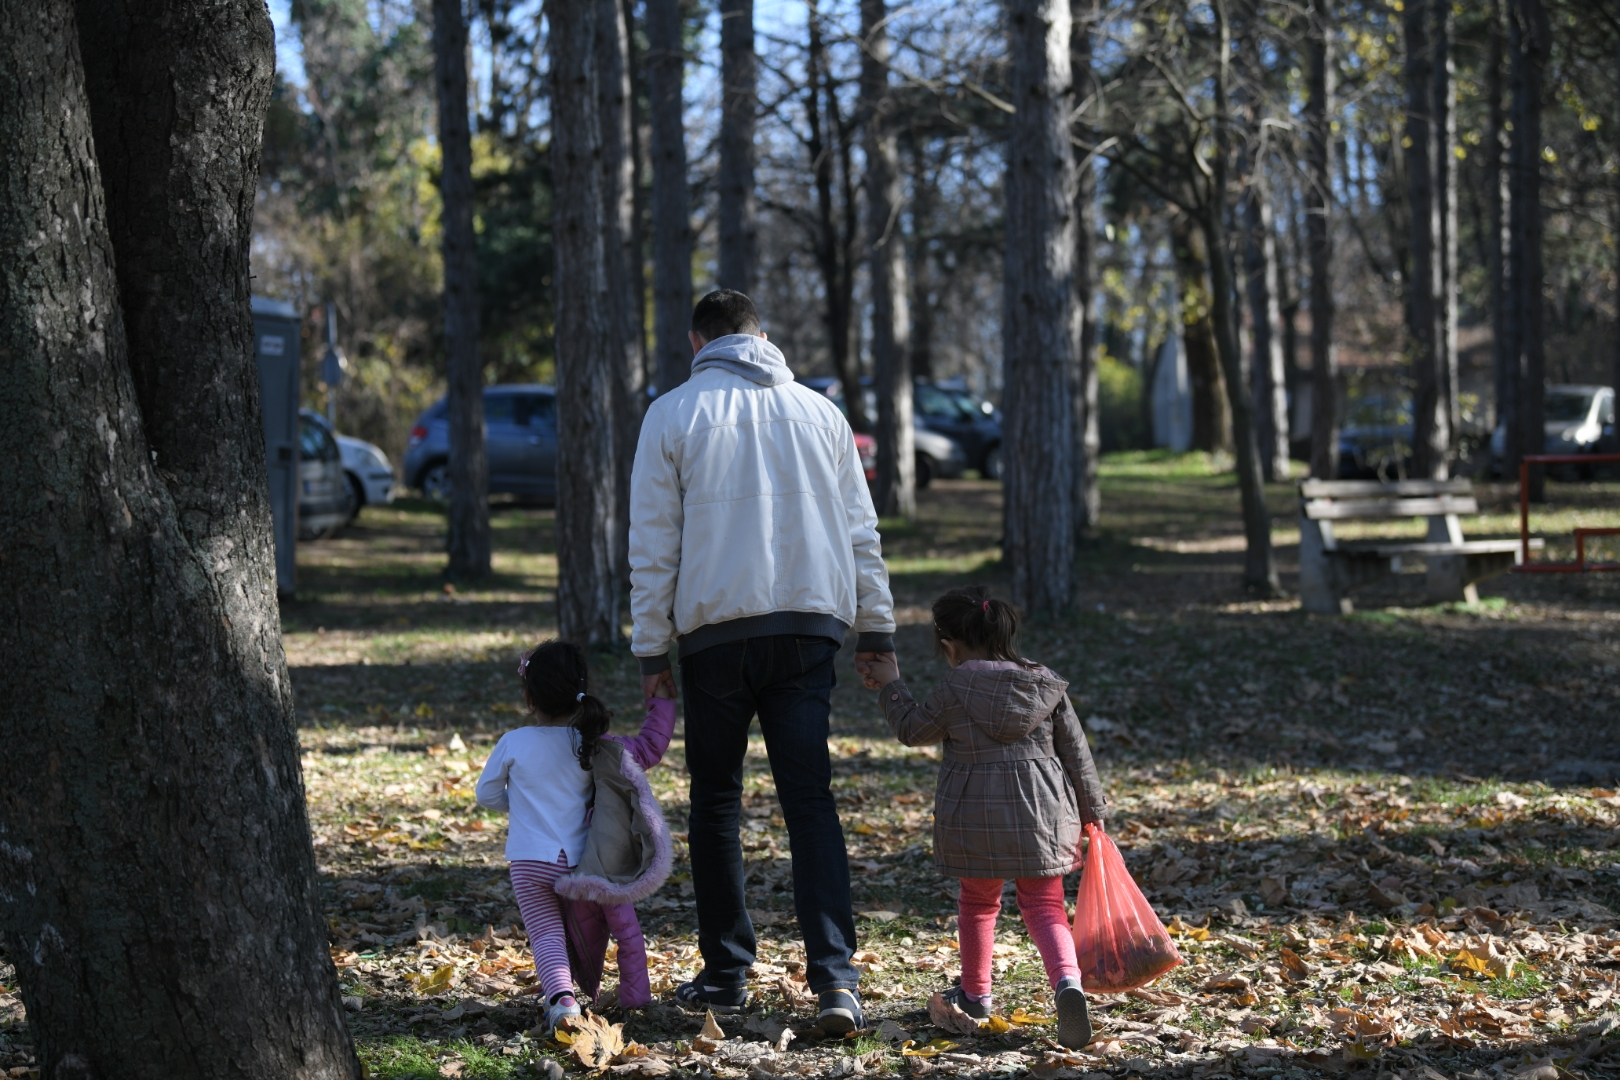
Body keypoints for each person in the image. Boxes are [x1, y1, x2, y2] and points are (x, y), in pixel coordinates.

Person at [628, 289, 896, 1033]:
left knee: (716, 801)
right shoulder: (821, 414)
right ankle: (835, 980)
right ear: (763, 335)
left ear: (696, 343)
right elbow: (861, 530)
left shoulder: (671, 414)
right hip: (809, 629)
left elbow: (654, 543)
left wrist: (650, 648)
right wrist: (877, 629)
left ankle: (726, 976)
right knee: (810, 800)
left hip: (713, 634)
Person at [857, 586, 1107, 1050]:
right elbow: (1076, 753)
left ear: (949, 645)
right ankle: (1067, 983)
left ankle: (976, 995)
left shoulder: (955, 688)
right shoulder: (1046, 684)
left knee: (977, 903)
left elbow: (912, 729)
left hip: (974, 816)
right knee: (1045, 905)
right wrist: (1093, 813)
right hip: (1043, 813)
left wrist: (892, 685)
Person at [476, 640, 677, 1034]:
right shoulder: (591, 744)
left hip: (529, 861)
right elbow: (651, 747)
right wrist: (664, 703)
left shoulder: (513, 741)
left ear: (530, 697)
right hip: (578, 860)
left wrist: (520, 805)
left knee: (546, 931)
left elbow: (486, 794)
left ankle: (562, 999)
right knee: (581, 928)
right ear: (578, 691)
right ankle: (602, 992)